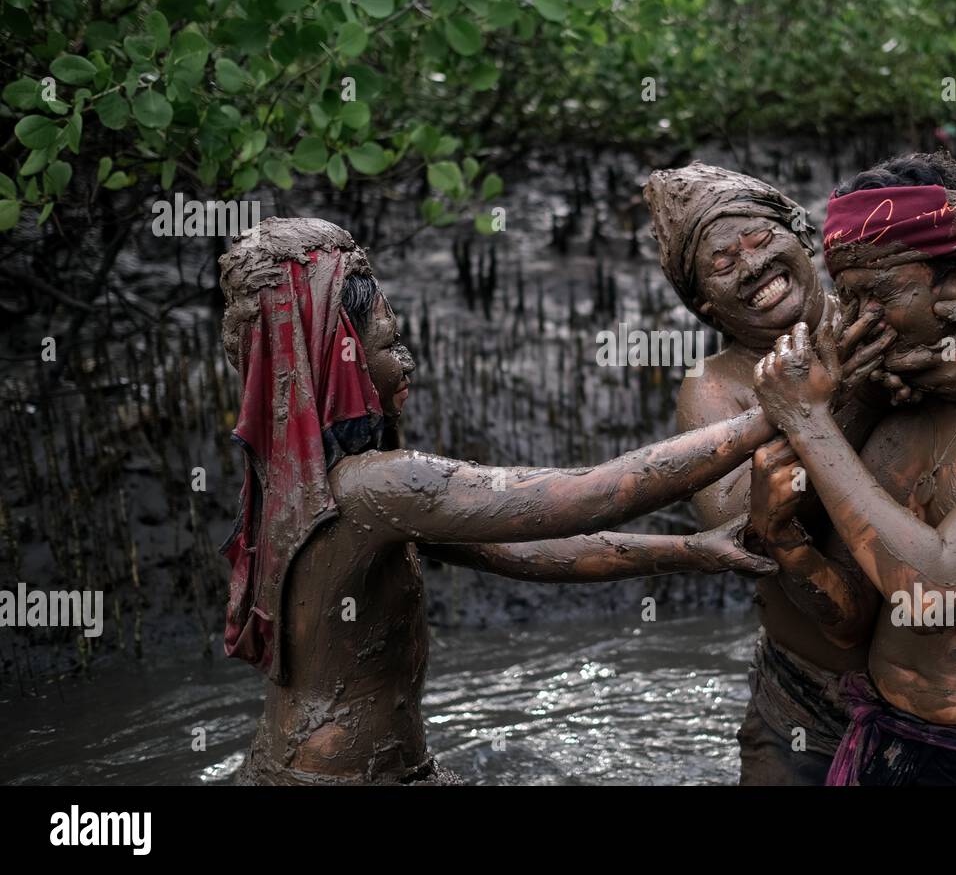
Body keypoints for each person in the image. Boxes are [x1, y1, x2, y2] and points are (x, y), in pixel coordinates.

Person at [217, 217, 778, 785]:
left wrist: (694, 549)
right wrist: (771, 413)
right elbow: (594, 493)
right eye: (390, 344)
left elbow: (522, 549)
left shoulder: (297, 488)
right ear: (340, 358)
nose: (408, 362)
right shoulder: (376, 487)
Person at [642, 157, 956, 784]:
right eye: (720, 264)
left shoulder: (895, 306)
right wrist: (837, 407)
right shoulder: (727, 384)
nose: (751, 266)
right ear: (703, 306)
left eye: (762, 239)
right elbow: (746, 533)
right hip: (817, 690)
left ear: (802, 242)